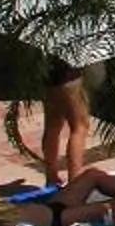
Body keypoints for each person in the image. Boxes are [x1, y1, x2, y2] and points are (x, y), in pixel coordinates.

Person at [38, 59, 90, 189]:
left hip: (47, 72)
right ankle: (75, 182)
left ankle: (51, 177)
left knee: (53, 124)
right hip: (67, 72)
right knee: (79, 126)